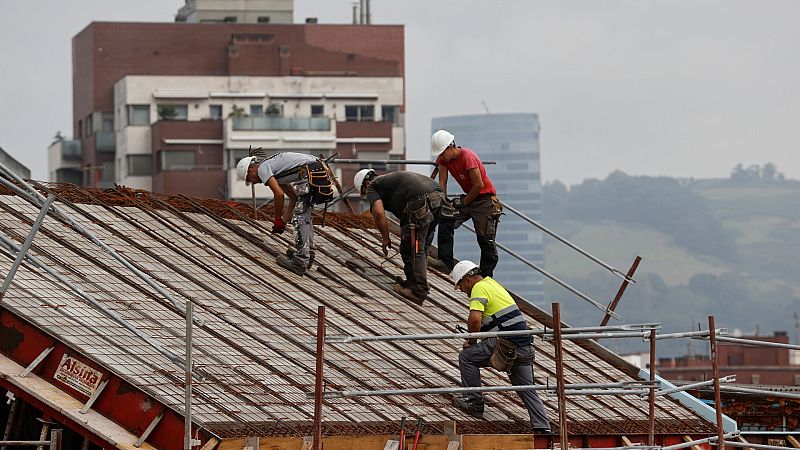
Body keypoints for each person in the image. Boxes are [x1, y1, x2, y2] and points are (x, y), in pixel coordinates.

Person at [450, 260, 551, 433]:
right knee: (527, 388)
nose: (462, 290)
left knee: (466, 357)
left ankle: (473, 401)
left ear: (467, 279)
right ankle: (543, 428)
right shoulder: (492, 284)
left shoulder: (478, 288)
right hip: (524, 346)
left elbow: (474, 320)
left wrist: (471, 341)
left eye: (460, 286)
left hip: (506, 345)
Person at [354, 169, 444, 305]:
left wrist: (385, 238)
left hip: (419, 203)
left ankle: (418, 291)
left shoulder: (373, 186)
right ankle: (414, 282)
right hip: (439, 200)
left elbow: (378, 214)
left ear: (365, 184)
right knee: (422, 247)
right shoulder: (389, 180)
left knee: (412, 248)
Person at [236, 152, 333, 276]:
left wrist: (277, 219)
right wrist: (282, 223)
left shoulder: (262, 168)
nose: (255, 183)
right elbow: (292, 198)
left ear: (251, 170)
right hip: (317, 172)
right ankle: (308, 254)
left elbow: (279, 194)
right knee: (304, 216)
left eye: (250, 179)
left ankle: (300, 261)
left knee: (300, 217)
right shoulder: (277, 173)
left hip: (310, 174)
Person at [429, 129, 502, 277]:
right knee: (446, 220)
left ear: (451, 147)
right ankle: (445, 262)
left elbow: (478, 185)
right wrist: (443, 201)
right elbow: (442, 181)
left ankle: (485, 277)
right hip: (469, 198)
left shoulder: (468, 157)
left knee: (485, 239)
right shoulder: (444, 159)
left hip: (484, 200)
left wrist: (463, 202)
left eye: (442, 153)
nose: (441, 157)